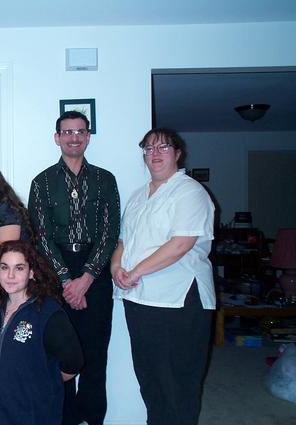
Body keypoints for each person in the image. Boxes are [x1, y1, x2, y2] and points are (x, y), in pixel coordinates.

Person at [111, 128, 215, 425]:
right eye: (148, 148)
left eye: (163, 147)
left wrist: (135, 272)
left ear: (178, 153)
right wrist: (116, 268)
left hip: (178, 299)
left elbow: (181, 244)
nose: (154, 153)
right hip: (139, 297)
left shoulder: (190, 192)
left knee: (178, 380)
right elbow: (123, 241)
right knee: (149, 376)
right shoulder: (138, 196)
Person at [28, 110, 120, 425]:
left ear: (88, 136)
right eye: (67, 132)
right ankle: (64, 417)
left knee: (96, 350)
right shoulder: (42, 182)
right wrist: (67, 280)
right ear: (57, 138)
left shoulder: (105, 179)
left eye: (80, 131)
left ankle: (92, 417)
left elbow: (110, 233)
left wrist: (86, 278)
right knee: (60, 350)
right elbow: (40, 236)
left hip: (96, 270)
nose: (74, 137)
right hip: (56, 271)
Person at [0, 241, 82, 425]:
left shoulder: (48, 313)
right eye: (5, 267)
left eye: (19, 268)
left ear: (32, 272)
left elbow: (73, 364)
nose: (10, 275)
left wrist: (42, 381)